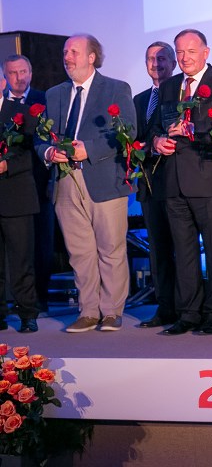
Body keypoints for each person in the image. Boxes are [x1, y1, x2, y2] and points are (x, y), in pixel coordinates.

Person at [35, 34, 135, 332]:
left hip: (104, 179)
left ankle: (112, 311)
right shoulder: (54, 94)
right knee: (79, 252)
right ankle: (88, 311)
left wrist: (88, 149)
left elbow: (127, 131)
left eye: (74, 52)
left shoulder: (116, 88)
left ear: (92, 57)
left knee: (110, 249)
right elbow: (41, 137)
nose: (67, 57)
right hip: (65, 179)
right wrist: (48, 152)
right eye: (65, 52)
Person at [151, 29, 212, 336]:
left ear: (206, 52)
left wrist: (190, 130)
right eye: (179, 52)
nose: (184, 58)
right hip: (173, 182)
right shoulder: (169, 86)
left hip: (209, 181)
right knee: (184, 252)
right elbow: (155, 127)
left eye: (191, 51)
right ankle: (188, 313)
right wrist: (158, 141)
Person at [133, 41, 178, 328]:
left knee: (182, 249)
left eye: (162, 58)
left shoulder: (180, 94)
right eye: (151, 58)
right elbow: (134, 137)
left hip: (176, 182)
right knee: (158, 250)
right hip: (149, 185)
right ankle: (164, 307)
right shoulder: (138, 99)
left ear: (173, 63)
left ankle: (186, 307)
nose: (156, 63)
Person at [2, 55, 52, 307]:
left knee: (39, 244)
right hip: (11, 187)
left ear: (31, 73)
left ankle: (38, 298)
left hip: (40, 184)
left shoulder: (45, 100)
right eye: (13, 73)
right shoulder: (3, 105)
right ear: (5, 77)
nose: (19, 78)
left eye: (23, 72)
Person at [0, 63, 41, 332]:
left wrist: (6, 165)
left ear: (2, 84)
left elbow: (30, 154)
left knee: (21, 259)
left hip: (16, 195)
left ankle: (27, 313)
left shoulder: (21, 113)